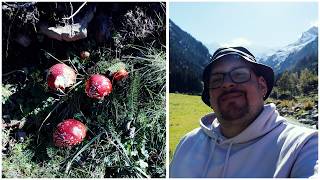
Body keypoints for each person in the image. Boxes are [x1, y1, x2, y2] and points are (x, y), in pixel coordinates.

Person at [169, 47, 318, 178]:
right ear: (210, 96)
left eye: (240, 74)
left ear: (262, 86)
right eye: (216, 80)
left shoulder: (302, 145)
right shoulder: (187, 143)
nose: (227, 83)